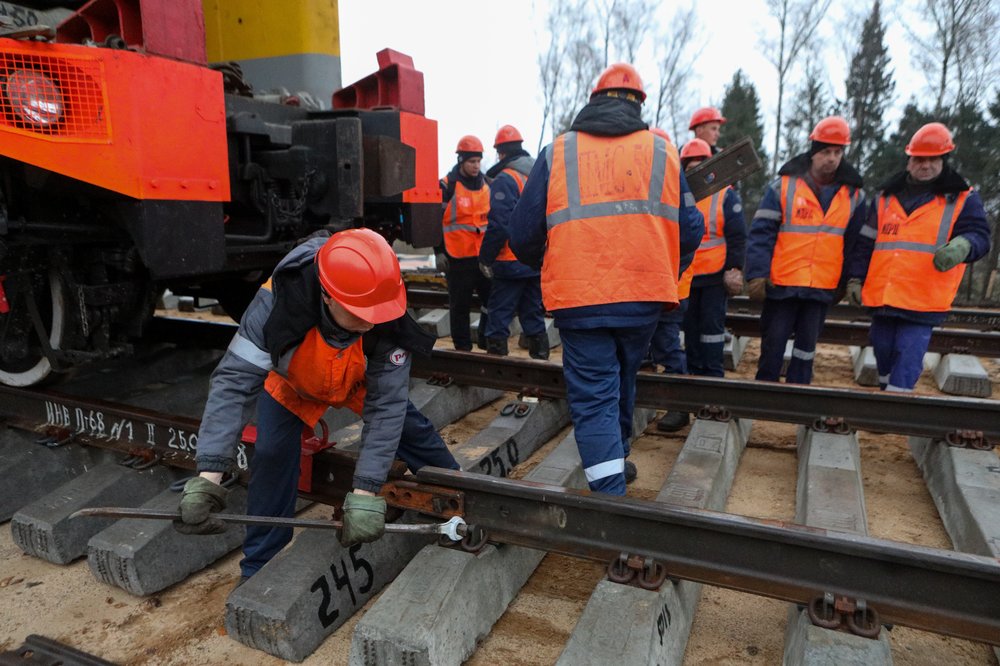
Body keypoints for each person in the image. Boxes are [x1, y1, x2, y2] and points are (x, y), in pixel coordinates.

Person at [175, 229, 460, 583]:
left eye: (376, 313)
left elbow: (386, 407)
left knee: (412, 430)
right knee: (271, 453)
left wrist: (365, 492)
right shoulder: (275, 301)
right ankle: (259, 567)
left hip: (355, 378)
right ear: (327, 295)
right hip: (292, 380)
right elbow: (234, 384)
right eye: (359, 313)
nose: (371, 321)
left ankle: (461, 501)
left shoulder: (384, 310)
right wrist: (208, 475)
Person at [509, 63, 703, 495]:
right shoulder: (662, 151)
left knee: (595, 394)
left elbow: (522, 234)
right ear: (639, 106)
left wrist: (552, 261)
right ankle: (619, 459)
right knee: (624, 375)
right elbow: (691, 230)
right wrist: (668, 270)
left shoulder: (558, 151)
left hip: (580, 298)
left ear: (594, 99)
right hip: (645, 296)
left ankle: (610, 495)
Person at [845, 122, 990, 392]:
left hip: (923, 297)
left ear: (943, 160)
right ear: (909, 160)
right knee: (883, 346)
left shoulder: (962, 198)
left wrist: (963, 246)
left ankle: (895, 408)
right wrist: (855, 276)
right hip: (884, 295)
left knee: (909, 352)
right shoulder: (886, 197)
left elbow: (980, 235)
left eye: (932, 159)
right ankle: (889, 396)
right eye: (919, 159)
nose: (925, 165)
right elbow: (865, 243)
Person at [744, 116, 866, 384]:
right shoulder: (783, 186)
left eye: (837, 152)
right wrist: (756, 274)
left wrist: (849, 279)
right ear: (813, 152)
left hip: (822, 285)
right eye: (825, 152)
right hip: (782, 281)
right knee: (773, 341)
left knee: (806, 347)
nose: (831, 158)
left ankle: (799, 391)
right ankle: (764, 392)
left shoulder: (854, 196)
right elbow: (761, 233)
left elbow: (855, 244)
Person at [658, 138, 747, 432]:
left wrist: (734, 269)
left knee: (710, 336)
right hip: (686, 279)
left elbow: (737, 236)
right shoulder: (677, 194)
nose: (697, 171)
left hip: (712, 278)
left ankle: (712, 394)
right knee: (690, 337)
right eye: (691, 166)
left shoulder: (725, 195)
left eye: (701, 165)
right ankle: (693, 394)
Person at [479, 125, 549, 359]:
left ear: (501, 153)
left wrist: (486, 257)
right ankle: (541, 360)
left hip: (510, 260)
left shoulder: (505, 179)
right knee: (533, 313)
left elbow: (500, 224)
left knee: (499, 313)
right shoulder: (537, 174)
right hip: (536, 259)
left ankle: (497, 368)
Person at [439, 135, 492, 351]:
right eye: (472, 161)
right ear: (462, 161)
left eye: (478, 161)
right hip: (457, 256)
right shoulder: (446, 186)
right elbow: (434, 221)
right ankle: (462, 347)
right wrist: (438, 252)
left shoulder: (488, 184)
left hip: (483, 257)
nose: (476, 166)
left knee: (491, 302)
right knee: (459, 305)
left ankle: (485, 338)